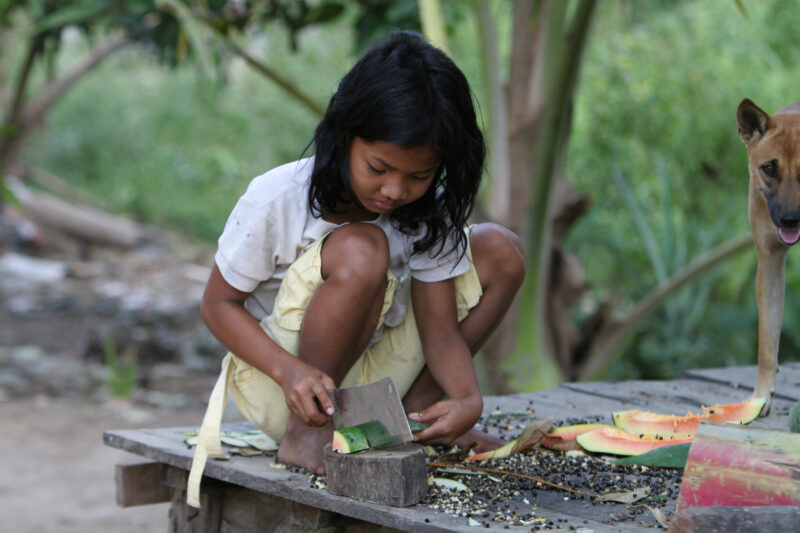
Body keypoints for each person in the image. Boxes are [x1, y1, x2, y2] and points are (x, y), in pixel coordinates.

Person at [186, 31, 525, 508]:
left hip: (369, 376)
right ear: (345, 137)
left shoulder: (430, 211)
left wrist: (467, 398)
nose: (394, 191)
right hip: (285, 385)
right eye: (378, 167)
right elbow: (217, 305)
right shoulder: (278, 197)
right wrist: (290, 373)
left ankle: (411, 422)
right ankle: (308, 438)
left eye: (418, 176)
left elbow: (440, 330)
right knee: (364, 246)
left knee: (501, 250)